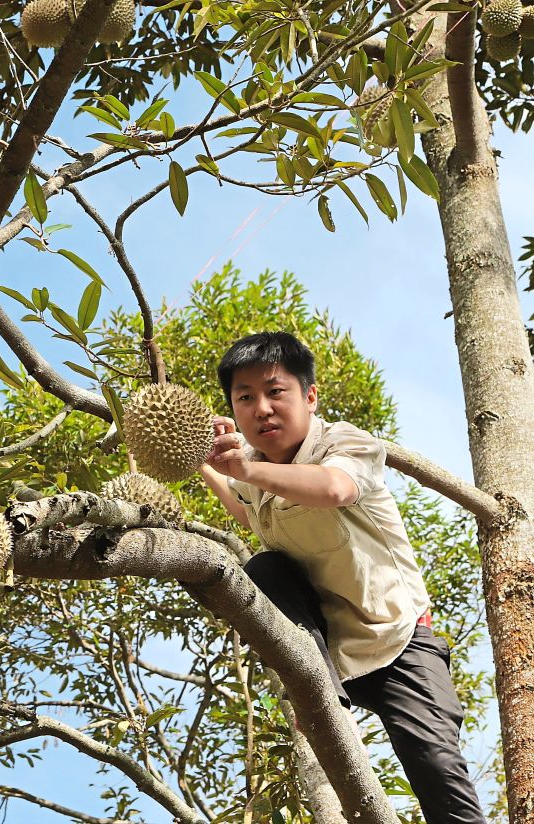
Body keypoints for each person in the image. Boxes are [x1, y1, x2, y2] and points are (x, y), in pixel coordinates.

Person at [197, 331, 485, 824]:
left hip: (397, 639)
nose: (262, 408)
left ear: (309, 396)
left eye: (275, 391)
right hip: (327, 647)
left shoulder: (345, 442)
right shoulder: (256, 471)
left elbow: (333, 488)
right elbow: (250, 517)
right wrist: (206, 459)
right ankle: (325, 704)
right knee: (263, 569)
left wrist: (244, 467)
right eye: (245, 398)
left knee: (437, 770)